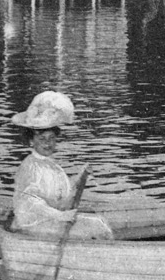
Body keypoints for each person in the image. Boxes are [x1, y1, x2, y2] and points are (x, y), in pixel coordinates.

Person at [10, 90, 113, 239]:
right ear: (31, 141)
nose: (47, 143)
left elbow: (63, 197)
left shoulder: (52, 166)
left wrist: (81, 176)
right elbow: (31, 202)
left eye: (51, 138)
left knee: (99, 222)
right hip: (31, 225)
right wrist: (60, 216)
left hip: (49, 220)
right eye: (42, 139)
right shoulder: (30, 166)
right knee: (97, 226)